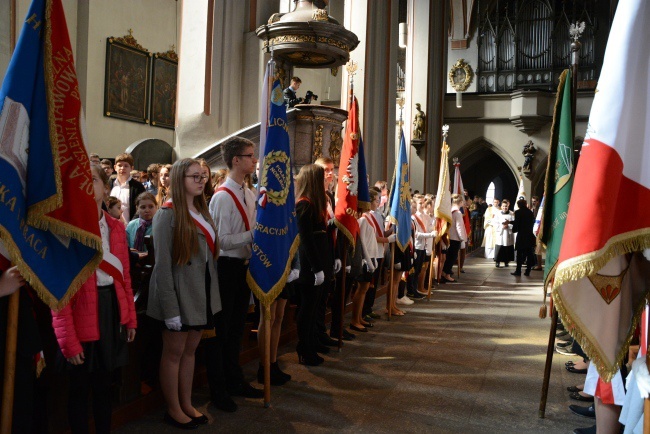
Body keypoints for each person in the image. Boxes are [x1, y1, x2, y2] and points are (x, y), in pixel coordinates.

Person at [51, 164, 137, 434]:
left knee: (104, 386)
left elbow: (124, 276)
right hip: (78, 315)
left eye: (94, 180)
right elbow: (58, 290)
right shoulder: (64, 229)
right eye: (81, 181)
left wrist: (130, 318)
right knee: (79, 388)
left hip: (110, 310)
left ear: (104, 186)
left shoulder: (116, 227)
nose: (89, 187)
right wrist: (67, 339)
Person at [146, 158, 221, 429]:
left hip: (201, 291)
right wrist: (171, 310)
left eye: (202, 177)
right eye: (194, 177)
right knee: (174, 353)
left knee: (191, 351)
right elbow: (163, 267)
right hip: (178, 294)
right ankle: (173, 408)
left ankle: (187, 403)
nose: (201, 181)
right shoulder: (167, 215)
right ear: (180, 180)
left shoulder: (203, 210)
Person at [207, 137, 263, 412]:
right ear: (235, 160)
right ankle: (218, 389)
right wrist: (254, 235)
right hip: (226, 269)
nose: (255, 160)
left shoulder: (249, 192)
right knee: (222, 330)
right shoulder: (221, 197)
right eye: (250, 156)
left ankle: (235, 379)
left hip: (244, 268)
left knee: (237, 329)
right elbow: (221, 242)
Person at [294, 164, 331, 365]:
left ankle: (312, 342)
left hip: (319, 264)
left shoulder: (313, 204)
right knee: (307, 309)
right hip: (309, 267)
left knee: (315, 307)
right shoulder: (304, 204)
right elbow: (306, 240)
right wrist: (316, 269)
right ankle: (304, 348)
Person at [110, 153, 145, 222]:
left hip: (129, 227)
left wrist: (131, 226)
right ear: (115, 167)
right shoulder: (110, 184)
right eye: (120, 165)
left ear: (131, 168)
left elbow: (140, 208)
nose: (122, 168)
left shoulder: (138, 187)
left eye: (126, 166)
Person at [441, 194, 467, 283]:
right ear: (460, 202)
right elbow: (459, 227)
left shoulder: (450, 210)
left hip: (449, 237)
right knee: (452, 257)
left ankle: (444, 272)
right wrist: (462, 238)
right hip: (455, 238)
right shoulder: (458, 213)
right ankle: (447, 274)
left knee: (449, 256)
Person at [511, 198, 536, 276]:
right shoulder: (530, 212)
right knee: (529, 254)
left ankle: (518, 271)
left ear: (518, 205)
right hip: (529, 235)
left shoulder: (518, 212)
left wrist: (513, 229)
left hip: (521, 235)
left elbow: (517, 223)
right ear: (525, 204)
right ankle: (527, 271)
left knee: (519, 254)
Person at [494, 199, 515, 267]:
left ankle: (506, 261)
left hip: (508, 233)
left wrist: (508, 225)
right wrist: (501, 226)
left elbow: (514, 222)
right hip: (501, 233)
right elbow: (495, 222)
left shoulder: (511, 213)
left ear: (508, 206)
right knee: (499, 246)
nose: (504, 208)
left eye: (506, 206)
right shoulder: (498, 213)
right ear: (501, 206)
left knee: (507, 247)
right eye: (503, 206)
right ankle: (497, 261)